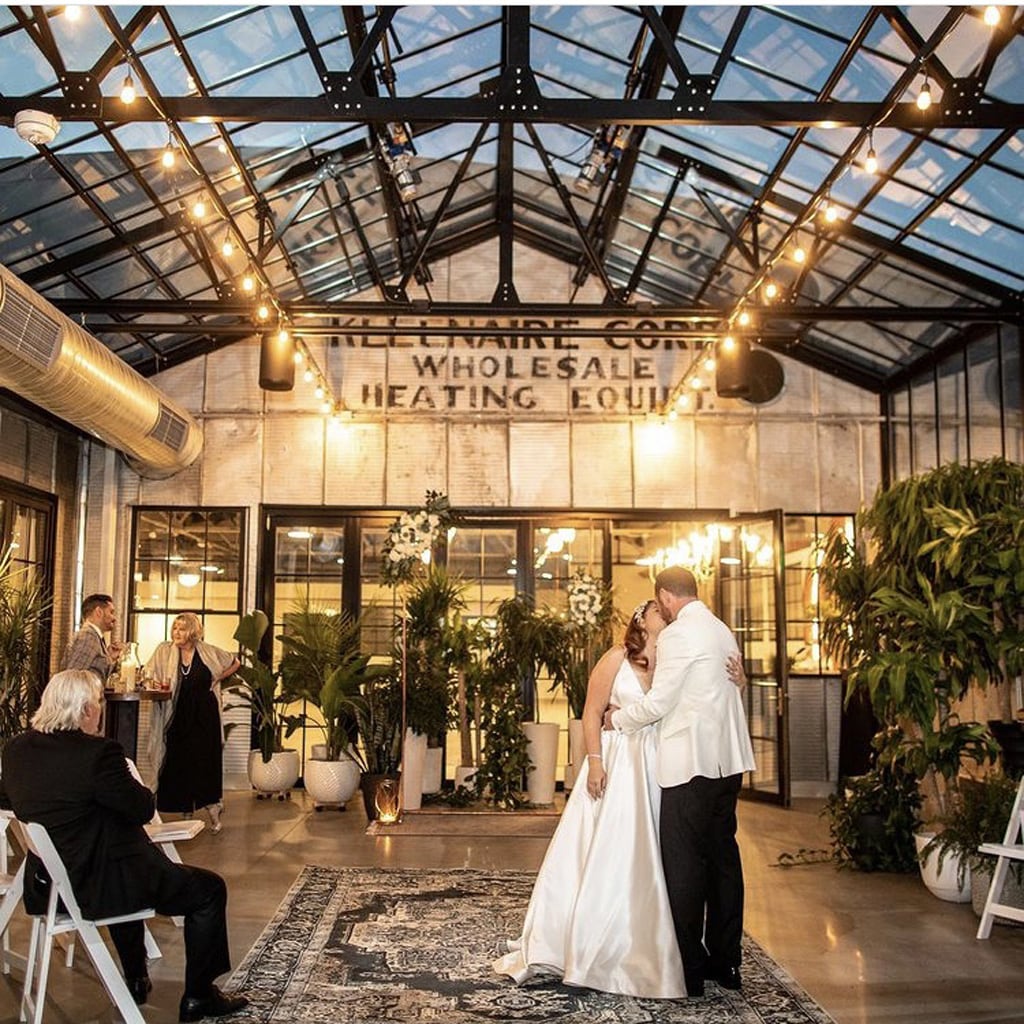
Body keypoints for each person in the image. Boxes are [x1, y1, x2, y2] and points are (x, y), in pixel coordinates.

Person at [494, 600, 743, 998]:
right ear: (640, 618)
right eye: (657, 610)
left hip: (660, 765)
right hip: (617, 762)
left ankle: (652, 941)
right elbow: (591, 712)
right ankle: (593, 941)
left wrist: (739, 681)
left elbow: (698, 698)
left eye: (665, 610)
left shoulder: (673, 657)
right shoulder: (616, 657)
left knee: (656, 856)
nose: (665, 614)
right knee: (610, 847)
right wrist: (594, 763)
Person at [0, 670, 248, 1023]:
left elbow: (10, 799)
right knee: (208, 889)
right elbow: (142, 808)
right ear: (86, 710)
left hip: (50, 887)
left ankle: (135, 977)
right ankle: (199, 996)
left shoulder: (16, 750)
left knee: (125, 866)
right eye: (99, 702)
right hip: (98, 886)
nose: (101, 710)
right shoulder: (99, 754)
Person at [607, 566, 756, 997]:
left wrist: (618, 720)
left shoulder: (677, 635)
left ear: (665, 597)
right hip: (728, 764)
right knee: (723, 861)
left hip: (690, 765)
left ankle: (689, 968)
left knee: (685, 866)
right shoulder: (722, 630)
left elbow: (659, 702)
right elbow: (723, 690)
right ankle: (727, 962)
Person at [144, 614, 240, 834]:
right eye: (175, 628)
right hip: (176, 714)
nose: (176, 632)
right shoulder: (164, 651)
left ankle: (213, 809)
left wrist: (217, 678)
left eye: (182, 628)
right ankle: (184, 807)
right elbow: (148, 673)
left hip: (205, 715)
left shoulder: (207, 651)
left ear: (193, 631)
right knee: (177, 761)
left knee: (204, 763)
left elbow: (235, 662)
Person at [63, 593, 125, 684]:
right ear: (99, 612)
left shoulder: (94, 636)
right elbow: (72, 678)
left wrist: (110, 658)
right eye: (111, 612)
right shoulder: (88, 636)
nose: (114, 618)